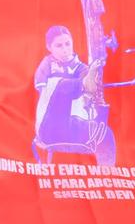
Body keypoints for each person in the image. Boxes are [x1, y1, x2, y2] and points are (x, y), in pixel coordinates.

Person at [32, 26, 114, 166]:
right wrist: (80, 84)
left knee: (105, 133)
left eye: (67, 44)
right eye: (59, 46)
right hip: (49, 125)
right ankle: (82, 84)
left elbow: (87, 92)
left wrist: (91, 76)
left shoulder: (81, 68)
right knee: (54, 84)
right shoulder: (46, 64)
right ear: (49, 47)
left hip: (72, 125)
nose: (65, 49)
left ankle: (108, 173)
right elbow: (46, 94)